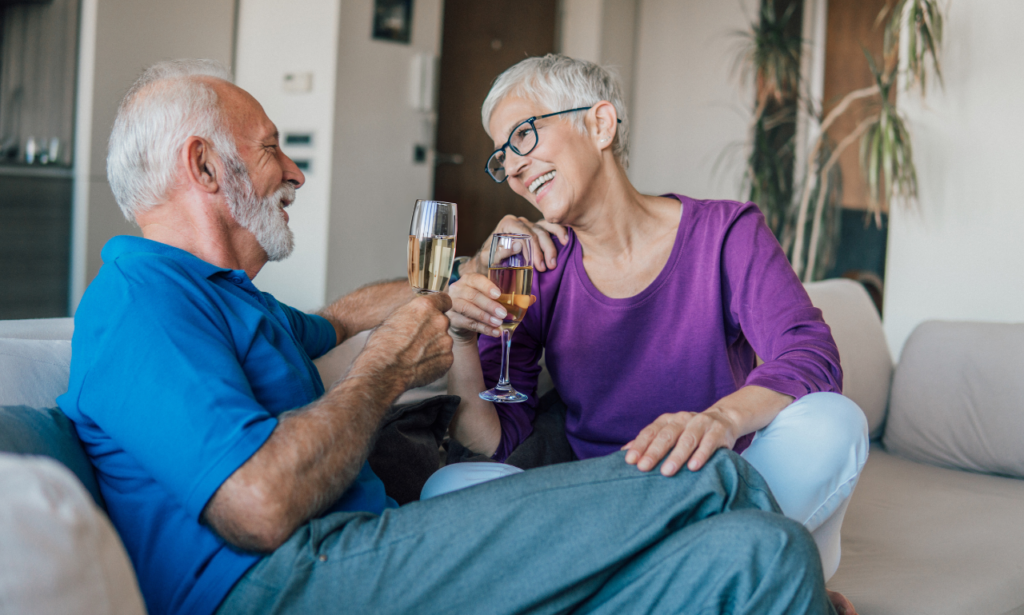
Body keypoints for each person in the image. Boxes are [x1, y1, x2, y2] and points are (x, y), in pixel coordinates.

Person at [57, 59, 838, 615]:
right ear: (203, 165)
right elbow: (257, 506)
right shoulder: (136, 303)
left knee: (766, 557)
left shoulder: (236, 303)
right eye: (271, 149)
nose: (295, 173)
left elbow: (338, 316)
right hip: (286, 579)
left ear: (600, 127)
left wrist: (470, 273)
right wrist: (393, 365)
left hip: (378, 551)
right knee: (714, 481)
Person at [445, 55, 867, 613]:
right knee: (450, 490)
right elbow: (494, 438)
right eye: (502, 157)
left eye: (524, 136)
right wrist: (460, 336)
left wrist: (719, 420)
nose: (515, 168)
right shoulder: (535, 267)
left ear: (599, 124)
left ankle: (653, 579)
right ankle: (726, 581)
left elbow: (809, 354)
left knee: (836, 423)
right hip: (609, 506)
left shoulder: (726, 232)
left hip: (734, 488)